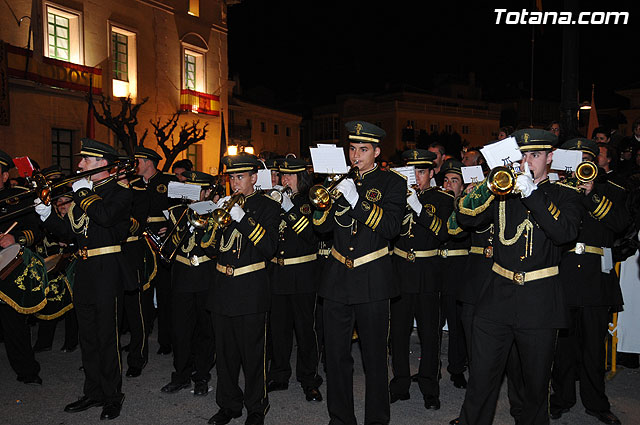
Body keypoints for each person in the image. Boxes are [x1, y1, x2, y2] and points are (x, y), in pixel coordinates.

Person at [455, 129, 582, 425]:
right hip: (496, 298)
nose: (527, 162)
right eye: (522, 155)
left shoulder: (566, 195)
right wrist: (488, 185)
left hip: (539, 302)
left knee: (535, 388)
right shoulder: (503, 192)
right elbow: (465, 217)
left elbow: (565, 232)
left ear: (550, 158)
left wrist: (533, 194)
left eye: (535, 155)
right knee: (481, 382)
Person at [36, 139, 136, 420]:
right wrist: (45, 214)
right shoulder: (84, 194)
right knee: (88, 336)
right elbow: (70, 232)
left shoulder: (119, 192)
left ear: (103, 163)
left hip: (107, 269)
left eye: (86, 160)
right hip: (85, 269)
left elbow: (104, 218)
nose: (79, 165)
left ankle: (113, 395)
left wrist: (83, 194)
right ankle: (93, 392)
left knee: (107, 336)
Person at [312, 121, 405, 425]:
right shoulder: (341, 182)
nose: (355, 155)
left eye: (363, 149)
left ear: (377, 151)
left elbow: (391, 228)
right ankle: (341, 419)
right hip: (337, 279)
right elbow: (321, 228)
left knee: (375, 359)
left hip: (372, 279)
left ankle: (376, 420)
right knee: (337, 359)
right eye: (352, 149)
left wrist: (356, 201)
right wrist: (324, 200)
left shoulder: (392, 183)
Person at [549, 138, 628, 425]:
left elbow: (621, 223)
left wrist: (592, 194)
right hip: (565, 274)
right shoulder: (556, 190)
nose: (583, 163)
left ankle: (596, 403)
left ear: (595, 161)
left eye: (588, 158)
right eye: (578, 158)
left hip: (596, 278)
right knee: (564, 347)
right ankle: (561, 398)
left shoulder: (612, 189)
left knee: (594, 348)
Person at [206, 153, 279, 425]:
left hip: (251, 288)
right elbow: (209, 247)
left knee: (253, 354)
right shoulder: (223, 206)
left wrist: (242, 217)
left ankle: (256, 407)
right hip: (222, 287)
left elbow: (269, 248)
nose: (234, 183)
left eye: (239, 177)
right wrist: (213, 219)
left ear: (253, 178)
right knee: (224, 355)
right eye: (231, 178)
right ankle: (228, 405)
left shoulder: (267, 205)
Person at [389, 149, 453, 410]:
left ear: (431, 172)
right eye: (412, 171)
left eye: (421, 171)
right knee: (399, 332)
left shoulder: (442, 198)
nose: (416, 177)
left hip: (428, 272)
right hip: (402, 270)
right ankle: (400, 383)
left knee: (429, 334)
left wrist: (418, 208)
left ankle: (429, 386)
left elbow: (442, 233)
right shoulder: (397, 197)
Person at [266, 157, 323, 402]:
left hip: (303, 274)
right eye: (282, 176)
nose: (285, 180)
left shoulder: (310, 201)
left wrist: (289, 209)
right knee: (278, 329)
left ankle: (309, 378)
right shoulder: (275, 200)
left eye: (290, 176)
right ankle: (279, 374)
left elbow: (312, 235)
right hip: (278, 273)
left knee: (305, 330)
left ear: (302, 177)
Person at [160, 171, 217, 396]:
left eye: (199, 191)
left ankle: (202, 375)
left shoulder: (216, 213)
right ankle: (181, 375)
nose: (195, 196)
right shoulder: (176, 213)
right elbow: (170, 246)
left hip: (205, 275)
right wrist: (183, 225)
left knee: (206, 330)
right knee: (181, 331)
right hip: (183, 275)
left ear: (207, 191)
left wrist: (203, 222)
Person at [0, 149, 44, 386]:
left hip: (10, 267)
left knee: (14, 323)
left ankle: (27, 370)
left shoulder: (19, 197)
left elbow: (36, 230)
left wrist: (15, 238)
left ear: (5, 176)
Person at [131, 147, 178, 355]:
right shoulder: (133, 185)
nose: (135, 165)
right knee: (141, 294)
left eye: (138, 161)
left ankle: (166, 340)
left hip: (163, 241)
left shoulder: (168, 182)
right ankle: (139, 339)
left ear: (149, 162)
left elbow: (182, 209)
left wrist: (170, 226)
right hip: (140, 241)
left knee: (166, 293)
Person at [438, 159, 470, 390]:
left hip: (458, 267)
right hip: (435, 264)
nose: (449, 185)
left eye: (454, 181)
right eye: (446, 180)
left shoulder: (467, 206)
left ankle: (457, 368)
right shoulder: (436, 203)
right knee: (433, 322)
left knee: (457, 322)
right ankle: (430, 368)